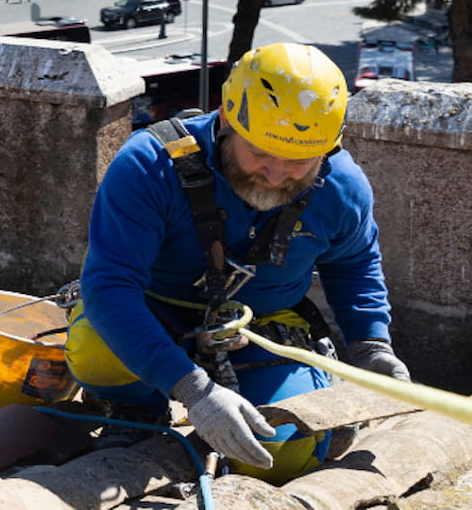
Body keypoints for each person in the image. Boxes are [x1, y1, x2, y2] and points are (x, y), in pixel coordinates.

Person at [66, 43, 410, 485]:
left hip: (261, 327)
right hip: (155, 313)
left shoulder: (340, 188)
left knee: (275, 452)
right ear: (228, 120)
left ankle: (311, 386)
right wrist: (194, 390)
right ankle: (135, 409)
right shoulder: (149, 166)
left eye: (299, 163)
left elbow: (354, 265)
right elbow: (109, 287)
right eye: (261, 153)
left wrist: (371, 348)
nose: (276, 175)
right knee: (95, 346)